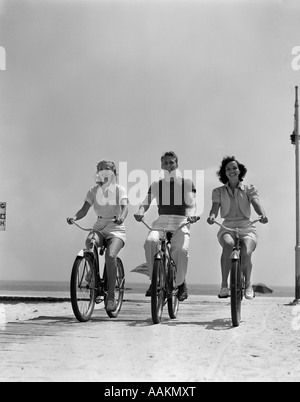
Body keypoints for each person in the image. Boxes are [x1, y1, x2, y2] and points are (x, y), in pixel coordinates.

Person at [134, 151, 198, 301]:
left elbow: (192, 203)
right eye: (165, 163)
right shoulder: (156, 185)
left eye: (171, 162)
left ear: (177, 164)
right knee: (150, 242)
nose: (168, 165)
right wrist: (140, 211)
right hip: (162, 220)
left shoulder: (187, 183)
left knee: (181, 251)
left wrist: (192, 214)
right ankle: (154, 280)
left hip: (181, 220)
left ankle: (181, 283)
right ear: (161, 165)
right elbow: (146, 202)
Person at [67, 160, 128, 312]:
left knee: (110, 256)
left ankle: (111, 296)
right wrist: (74, 217)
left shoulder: (119, 189)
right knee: (89, 241)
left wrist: (122, 217)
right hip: (100, 226)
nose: (103, 171)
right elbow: (84, 210)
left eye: (107, 169)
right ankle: (91, 272)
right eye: (100, 169)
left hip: (116, 228)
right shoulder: (93, 191)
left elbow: (125, 207)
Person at [207, 156, 268, 299]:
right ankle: (224, 285)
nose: (231, 170)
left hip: (247, 226)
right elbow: (214, 208)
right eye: (228, 169)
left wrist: (262, 214)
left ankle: (248, 285)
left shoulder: (249, 189)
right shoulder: (218, 191)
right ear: (224, 173)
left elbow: (256, 203)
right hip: (227, 226)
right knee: (228, 245)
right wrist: (212, 216)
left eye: (234, 167)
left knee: (246, 252)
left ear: (240, 171)